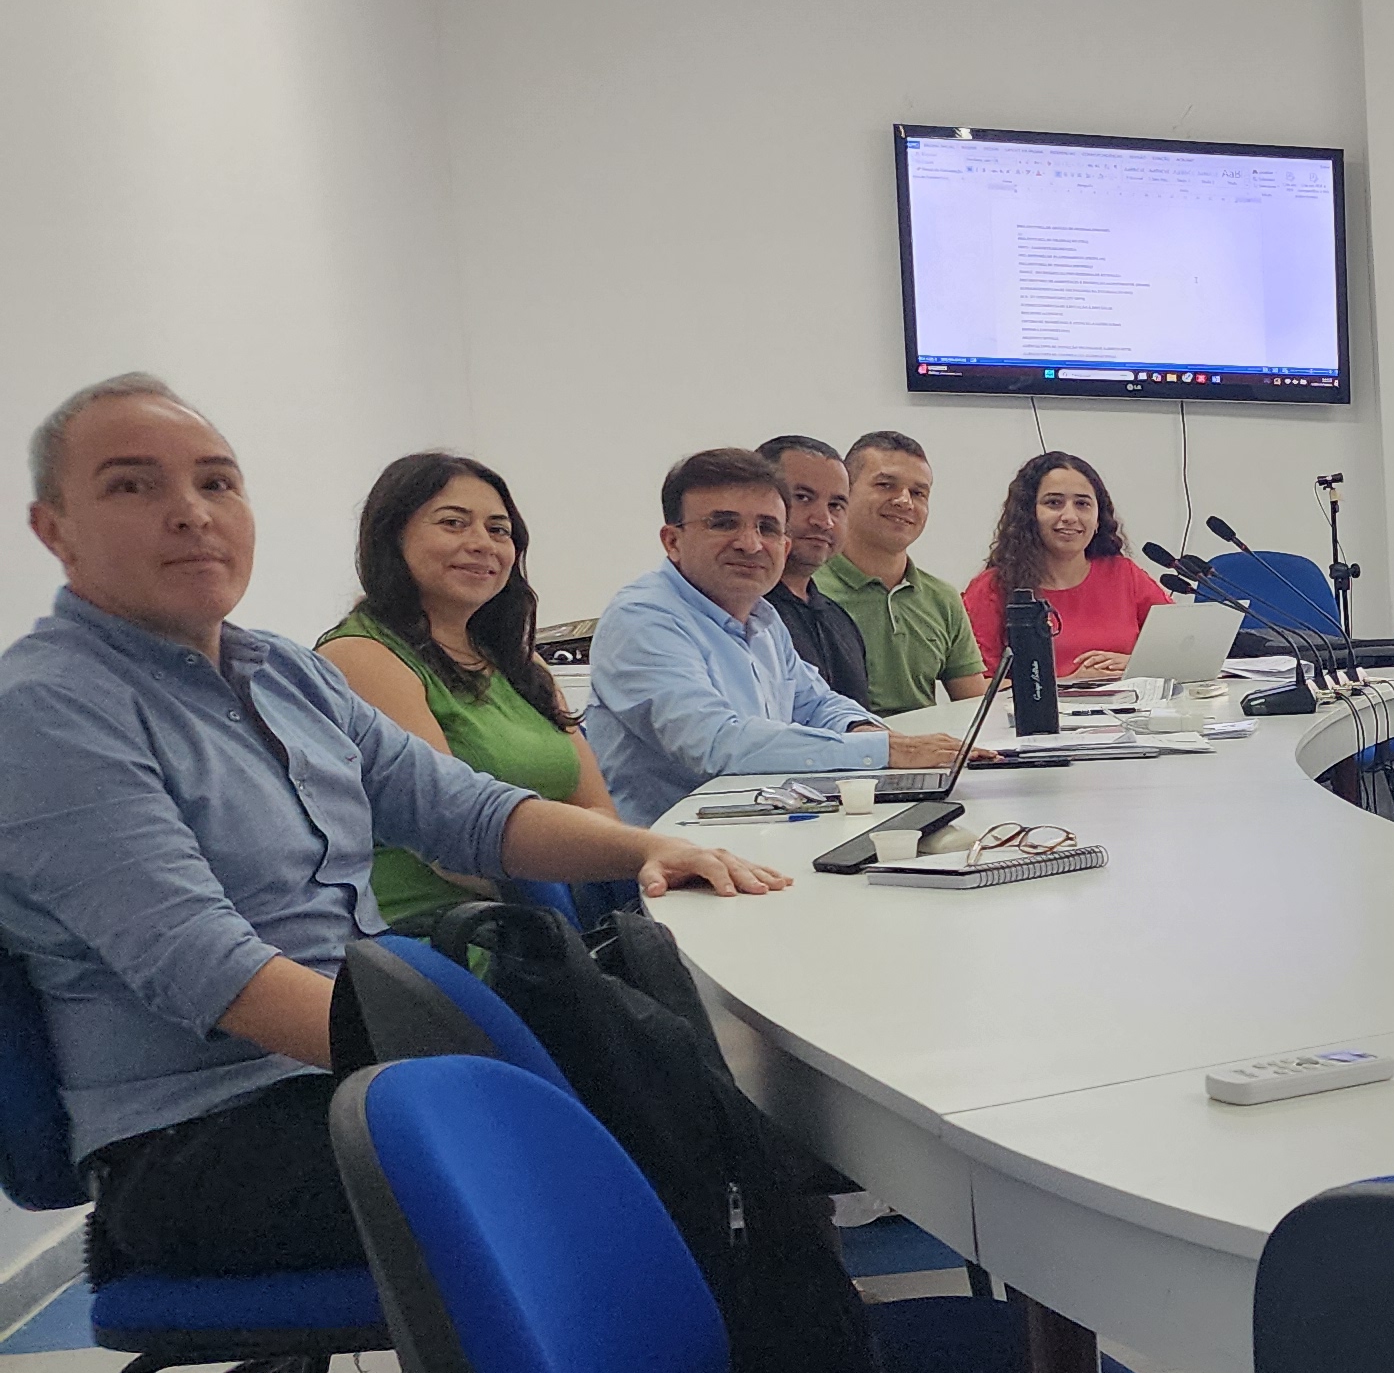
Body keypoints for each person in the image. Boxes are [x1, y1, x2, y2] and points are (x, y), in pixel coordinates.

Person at [0, 375, 790, 1276]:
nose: (191, 513)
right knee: (604, 1150)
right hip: (204, 1133)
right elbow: (209, 968)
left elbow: (465, 810)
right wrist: (485, 1058)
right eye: (132, 485)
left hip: (355, 1074)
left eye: (216, 482)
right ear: (54, 529)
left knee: (663, 1090)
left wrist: (655, 846)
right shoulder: (49, 709)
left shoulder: (284, 674)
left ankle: (767, 1340)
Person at [313, 452, 627, 928]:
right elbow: (452, 847)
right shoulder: (361, 656)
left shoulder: (521, 661)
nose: (482, 543)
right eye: (453, 523)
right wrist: (584, 864)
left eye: (498, 530)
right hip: (444, 931)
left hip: (555, 915)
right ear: (392, 537)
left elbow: (599, 809)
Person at [586, 449, 970, 824]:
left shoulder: (762, 617)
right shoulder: (643, 618)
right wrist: (882, 749)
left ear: (785, 546)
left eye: (767, 528)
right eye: (723, 524)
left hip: (761, 826)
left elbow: (816, 704)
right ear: (673, 541)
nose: (750, 544)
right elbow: (716, 743)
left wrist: (867, 732)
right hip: (665, 851)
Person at [960, 450, 1171, 683]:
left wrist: (1135, 665)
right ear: (1028, 514)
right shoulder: (992, 588)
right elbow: (978, 688)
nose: (1070, 516)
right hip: (1042, 708)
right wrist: (1068, 683)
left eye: (1082, 504)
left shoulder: (1125, 574)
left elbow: (1178, 651)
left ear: (1098, 517)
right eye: (1054, 503)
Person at [815, 429, 988, 714]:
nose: (904, 501)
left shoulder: (942, 598)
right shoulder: (807, 591)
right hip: (843, 740)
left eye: (918, 493)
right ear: (845, 493)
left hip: (931, 742)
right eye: (886, 485)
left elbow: (974, 709)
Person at [755, 434, 871, 706]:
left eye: (836, 505)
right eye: (803, 498)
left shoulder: (840, 620)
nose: (824, 520)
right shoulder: (742, 615)